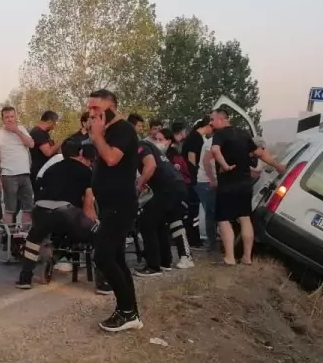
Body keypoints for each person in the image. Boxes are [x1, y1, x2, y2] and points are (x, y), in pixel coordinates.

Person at [87, 89, 143, 333]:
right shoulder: (108, 130)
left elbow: (111, 158)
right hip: (109, 204)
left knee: (103, 257)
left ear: (111, 106)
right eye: (89, 109)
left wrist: (97, 136)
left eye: (96, 109)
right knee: (117, 258)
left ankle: (128, 312)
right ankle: (129, 312)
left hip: (121, 205)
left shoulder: (123, 130)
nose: (91, 113)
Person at [16, 141, 98, 289]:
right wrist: (90, 223)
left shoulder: (51, 169)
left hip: (40, 210)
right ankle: (103, 281)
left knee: (33, 241)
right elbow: (88, 202)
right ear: (80, 153)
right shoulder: (85, 170)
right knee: (96, 234)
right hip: (65, 211)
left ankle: (25, 279)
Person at [209, 108, 286, 265]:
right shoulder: (244, 134)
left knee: (223, 220)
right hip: (245, 185)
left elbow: (215, 150)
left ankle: (230, 257)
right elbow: (260, 153)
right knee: (245, 218)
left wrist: (224, 165)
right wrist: (277, 166)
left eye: (212, 119)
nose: (211, 123)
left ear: (221, 119)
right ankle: (247, 257)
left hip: (227, 185)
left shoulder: (220, 135)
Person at [135, 133, 194, 275]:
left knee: (147, 222)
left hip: (167, 188)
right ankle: (164, 261)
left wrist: (138, 187)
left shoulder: (140, 146)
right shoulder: (148, 146)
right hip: (175, 185)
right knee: (160, 222)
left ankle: (153, 266)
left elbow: (150, 166)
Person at [0, 106, 36, 227]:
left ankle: (26, 235)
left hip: (25, 174)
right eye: (7, 117)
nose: (10, 119)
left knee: (28, 208)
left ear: (16, 117)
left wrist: (17, 131)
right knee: (10, 208)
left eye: (12, 116)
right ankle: (8, 237)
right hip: (9, 175)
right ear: (3, 119)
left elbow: (31, 144)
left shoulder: (21, 129)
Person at [184, 117, 216, 249]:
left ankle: (195, 239)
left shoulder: (197, 137)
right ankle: (193, 240)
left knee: (195, 211)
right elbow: (192, 159)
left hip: (192, 178)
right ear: (208, 126)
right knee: (194, 211)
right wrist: (195, 176)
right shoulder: (195, 138)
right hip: (192, 178)